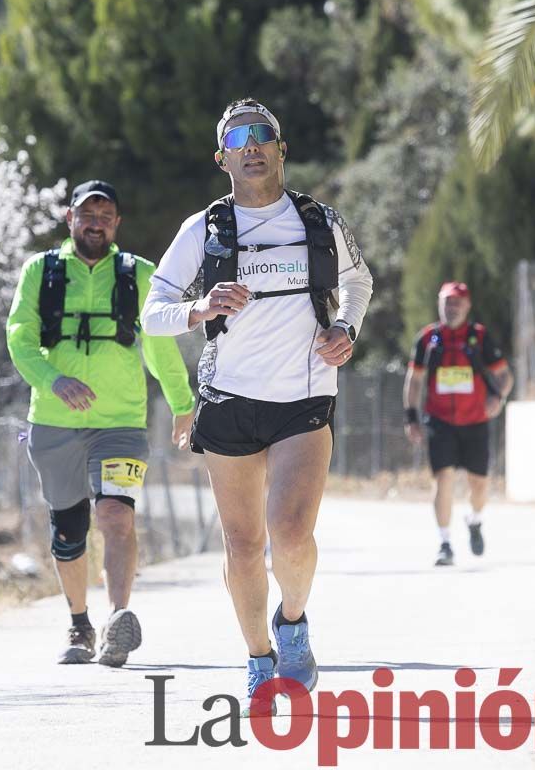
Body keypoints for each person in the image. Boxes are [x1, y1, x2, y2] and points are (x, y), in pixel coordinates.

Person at [141, 99, 372, 713]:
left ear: (280, 149)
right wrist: (199, 308)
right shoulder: (204, 230)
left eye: (262, 134)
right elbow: (152, 312)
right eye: (238, 138)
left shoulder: (318, 220)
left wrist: (346, 328)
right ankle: (259, 658)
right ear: (223, 158)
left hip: (305, 393)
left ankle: (293, 623)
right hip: (229, 398)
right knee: (243, 546)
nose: (252, 144)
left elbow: (358, 280)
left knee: (292, 533)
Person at [6, 180, 196, 667]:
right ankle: (79, 621)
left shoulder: (139, 275)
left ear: (117, 224)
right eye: (86, 214)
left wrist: (181, 402)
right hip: (53, 420)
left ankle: (117, 621)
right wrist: (54, 381)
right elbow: (20, 340)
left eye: (105, 215)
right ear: (70, 219)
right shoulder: (41, 272)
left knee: (116, 516)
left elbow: (159, 346)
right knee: (68, 529)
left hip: (121, 423)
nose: (95, 223)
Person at [403, 281, 513, 567]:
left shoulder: (478, 337)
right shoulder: (428, 339)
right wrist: (411, 417)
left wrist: (498, 398)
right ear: (440, 304)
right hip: (439, 420)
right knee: (444, 478)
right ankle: (445, 543)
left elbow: (504, 376)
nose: (451, 308)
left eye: (457, 303)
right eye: (447, 303)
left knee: (480, 484)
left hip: (475, 420)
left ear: (467, 307)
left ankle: (475, 521)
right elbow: (414, 381)